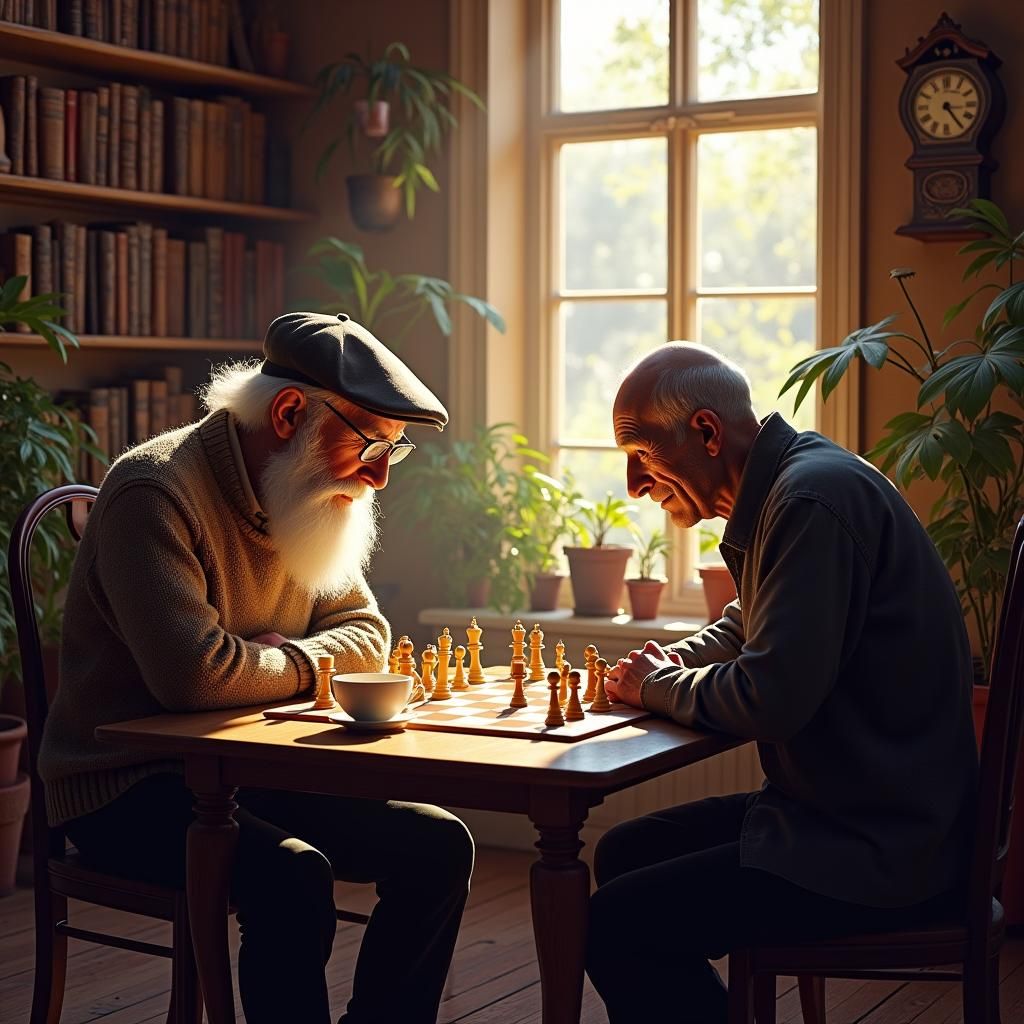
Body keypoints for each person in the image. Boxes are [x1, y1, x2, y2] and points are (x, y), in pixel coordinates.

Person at [39, 312, 475, 1024]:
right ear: (289, 411)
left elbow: (369, 634)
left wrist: (274, 660)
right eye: (370, 442)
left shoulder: (306, 490)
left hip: (247, 774)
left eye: (395, 451)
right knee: (292, 875)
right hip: (124, 787)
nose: (380, 476)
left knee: (439, 845)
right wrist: (303, 663)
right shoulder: (153, 492)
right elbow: (196, 680)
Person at [585, 342, 978, 1023]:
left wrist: (658, 688)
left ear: (706, 432)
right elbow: (747, 627)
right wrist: (660, 668)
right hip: (846, 816)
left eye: (642, 455)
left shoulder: (809, 501)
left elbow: (771, 698)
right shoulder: (792, 483)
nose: (633, 485)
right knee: (623, 850)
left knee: (617, 926)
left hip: (878, 850)